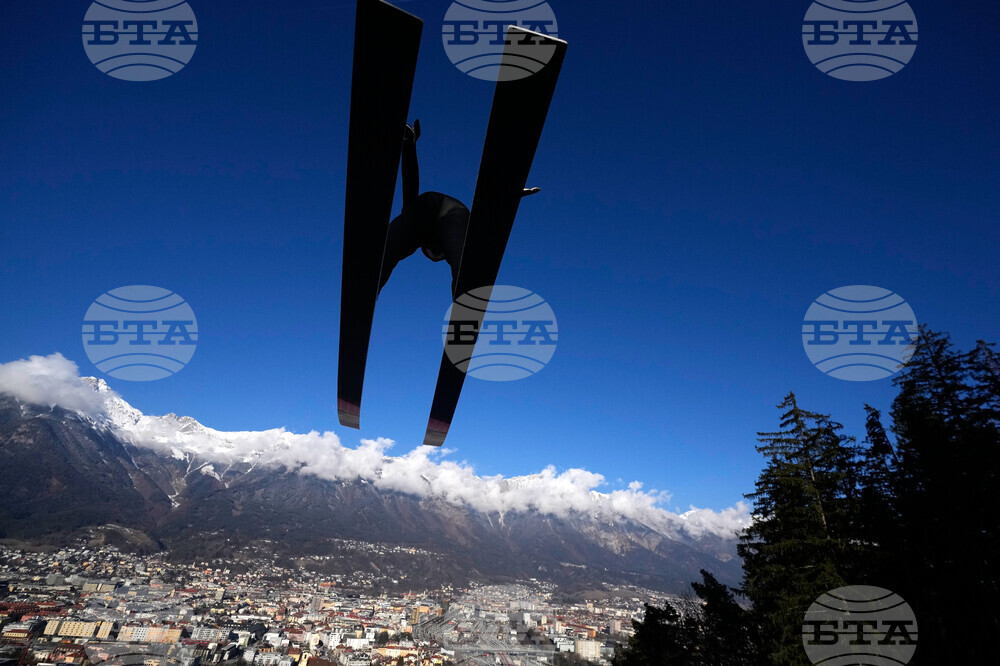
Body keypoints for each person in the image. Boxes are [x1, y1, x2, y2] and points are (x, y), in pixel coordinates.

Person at [378, 120, 539, 297]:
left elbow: (410, 190)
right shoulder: (440, 240)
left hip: (438, 208)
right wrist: (507, 199)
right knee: (462, 260)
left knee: (399, 240)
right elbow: (483, 226)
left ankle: (376, 273)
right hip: (452, 212)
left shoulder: (419, 238)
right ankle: (465, 296)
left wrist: (409, 146)